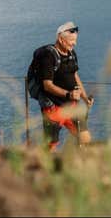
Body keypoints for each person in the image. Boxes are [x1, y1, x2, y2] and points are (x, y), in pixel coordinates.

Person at [30, 21, 93, 151]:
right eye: (72, 40)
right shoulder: (48, 57)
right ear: (60, 38)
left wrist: (85, 98)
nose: (74, 43)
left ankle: (79, 165)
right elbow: (47, 85)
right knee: (51, 145)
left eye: (75, 40)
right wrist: (68, 94)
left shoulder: (71, 54)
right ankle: (46, 168)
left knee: (84, 138)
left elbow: (75, 76)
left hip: (72, 106)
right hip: (53, 108)